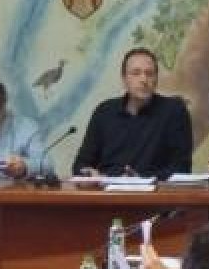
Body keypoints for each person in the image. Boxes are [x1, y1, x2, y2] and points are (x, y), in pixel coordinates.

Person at [72, 48, 193, 179]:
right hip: (107, 193)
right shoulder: (104, 111)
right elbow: (80, 164)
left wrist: (141, 178)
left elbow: (182, 168)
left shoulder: (173, 111)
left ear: (156, 79)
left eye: (149, 73)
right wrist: (88, 174)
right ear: (124, 79)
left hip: (153, 195)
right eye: (136, 73)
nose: (143, 79)